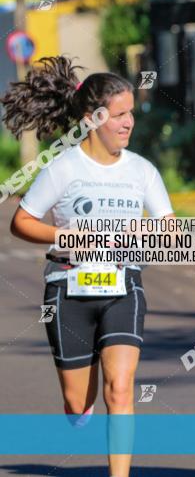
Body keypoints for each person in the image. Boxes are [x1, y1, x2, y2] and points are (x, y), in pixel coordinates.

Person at [3, 56, 174, 477]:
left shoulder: (142, 172)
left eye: (131, 112)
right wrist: (68, 237)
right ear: (93, 118)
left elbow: (168, 229)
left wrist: (158, 239)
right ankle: (78, 403)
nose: (129, 122)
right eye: (119, 115)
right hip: (68, 289)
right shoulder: (62, 168)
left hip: (123, 286)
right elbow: (20, 222)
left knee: (121, 388)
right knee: (79, 403)